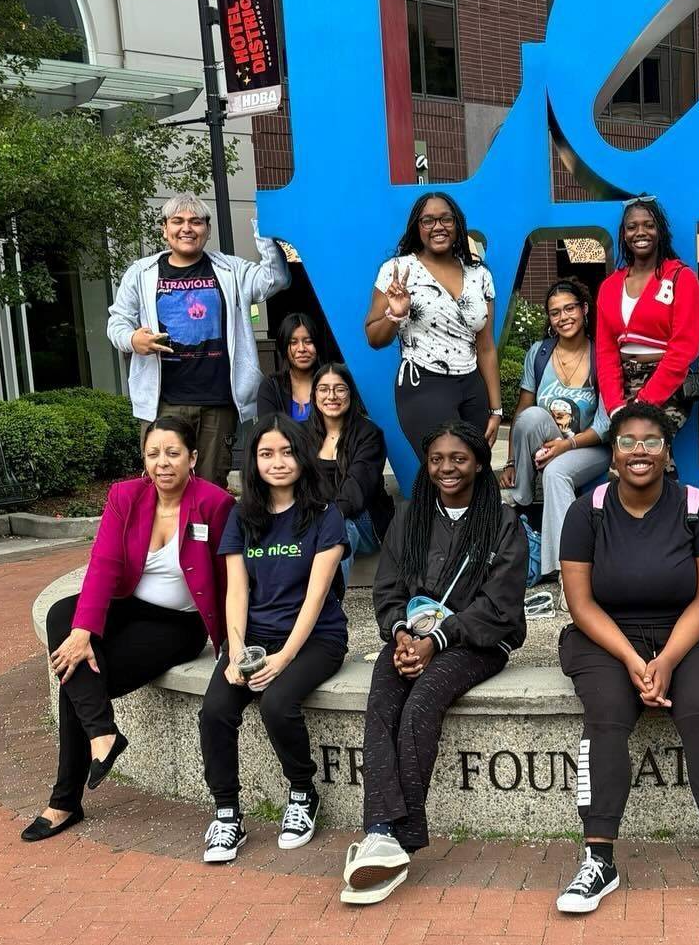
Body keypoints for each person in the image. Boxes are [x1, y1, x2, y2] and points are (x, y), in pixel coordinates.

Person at [554, 402, 699, 914]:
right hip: (607, 635)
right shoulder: (588, 511)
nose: (639, 451)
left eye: (651, 441)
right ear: (612, 455)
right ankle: (598, 858)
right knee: (605, 715)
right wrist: (631, 657)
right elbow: (579, 603)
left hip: (694, 632)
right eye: (627, 442)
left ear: (668, 453)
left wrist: (666, 659)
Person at [22, 417, 235, 842]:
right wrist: (83, 631)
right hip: (128, 606)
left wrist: (236, 639)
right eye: (153, 454)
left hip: (178, 625)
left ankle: (65, 801)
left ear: (192, 458)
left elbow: (231, 576)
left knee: (75, 677)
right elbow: (103, 565)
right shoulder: (126, 496)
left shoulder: (214, 503)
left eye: (173, 453)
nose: (163, 463)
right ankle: (102, 733)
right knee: (62, 617)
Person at [341, 421, 527, 905]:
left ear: (480, 463)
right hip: (415, 634)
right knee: (382, 700)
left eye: (459, 458)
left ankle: (397, 839)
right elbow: (389, 588)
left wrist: (439, 639)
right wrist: (400, 633)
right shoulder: (411, 515)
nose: (447, 468)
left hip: (476, 642)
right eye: (438, 458)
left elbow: (500, 604)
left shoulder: (502, 522)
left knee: (422, 701)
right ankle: (381, 832)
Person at [197, 414, 349, 863]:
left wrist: (282, 659)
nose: (277, 462)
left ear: (301, 457)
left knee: (278, 703)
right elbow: (237, 591)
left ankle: (302, 793)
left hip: (316, 637)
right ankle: (227, 813)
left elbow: (316, 598)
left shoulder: (325, 516)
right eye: (266, 454)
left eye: (286, 452)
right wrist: (235, 650)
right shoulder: (242, 518)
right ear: (254, 462)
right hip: (254, 636)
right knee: (215, 711)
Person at [107, 193, 292, 486]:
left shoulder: (230, 270)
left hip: (218, 402)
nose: (187, 228)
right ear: (164, 229)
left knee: (210, 487)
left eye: (196, 222)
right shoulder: (141, 273)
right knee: (164, 485)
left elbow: (275, 278)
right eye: (177, 221)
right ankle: (170, 535)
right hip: (163, 402)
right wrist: (132, 339)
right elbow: (117, 321)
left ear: (207, 229)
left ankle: (207, 535)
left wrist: (264, 227)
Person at [364, 192, 503, 455]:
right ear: (417, 228)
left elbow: (486, 347)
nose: (438, 227)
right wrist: (396, 314)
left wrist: (495, 410)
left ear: (457, 225)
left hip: (472, 385)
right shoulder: (397, 270)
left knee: (477, 469)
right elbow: (374, 338)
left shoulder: (479, 274)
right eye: (427, 221)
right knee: (446, 466)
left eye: (445, 219)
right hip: (424, 382)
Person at [500, 279, 612, 581]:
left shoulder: (601, 354)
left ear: (584, 309)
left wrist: (566, 446)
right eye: (555, 312)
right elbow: (522, 413)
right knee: (533, 414)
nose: (563, 318)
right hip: (548, 443)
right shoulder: (539, 353)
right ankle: (521, 495)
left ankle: (568, 571)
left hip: (590, 447)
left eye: (570, 309)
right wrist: (512, 461)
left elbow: (604, 426)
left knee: (556, 472)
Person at [594, 196, 699, 432]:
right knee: (629, 450)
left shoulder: (681, 278)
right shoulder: (609, 287)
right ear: (624, 234)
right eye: (632, 227)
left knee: (645, 439)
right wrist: (615, 406)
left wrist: (644, 401)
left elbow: (684, 349)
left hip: (667, 384)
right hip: (622, 384)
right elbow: (606, 352)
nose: (640, 232)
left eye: (649, 225)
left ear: (660, 231)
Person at [308, 361, 395, 583]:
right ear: (314, 394)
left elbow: (356, 491)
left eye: (340, 388)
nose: (331, 396)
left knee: (339, 528)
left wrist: (324, 517)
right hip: (313, 516)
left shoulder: (369, 435)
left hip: (362, 520)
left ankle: (329, 608)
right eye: (324, 389)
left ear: (351, 393)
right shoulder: (300, 434)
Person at [258, 312, 322, 422]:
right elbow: (268, 433)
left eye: (308, 341)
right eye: (293, 343)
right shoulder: (272, 386)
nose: (301, 349)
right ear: (284, 348)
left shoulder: (332, 383)